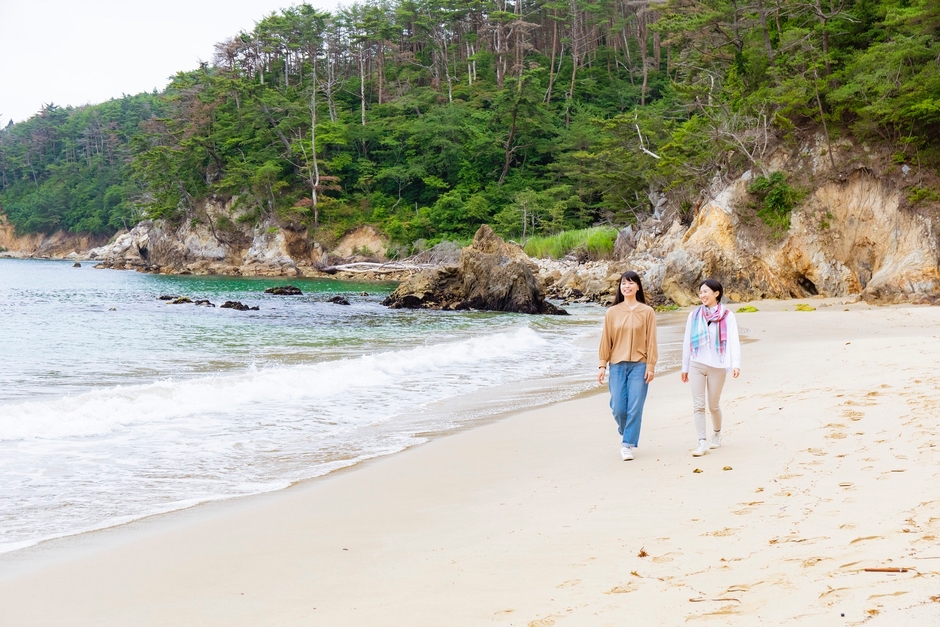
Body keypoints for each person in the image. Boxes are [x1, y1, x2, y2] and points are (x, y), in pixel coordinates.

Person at [598, 271, 658, 461]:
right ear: (620, 287)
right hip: (616, 364)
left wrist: (651, 366)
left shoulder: (647, 312)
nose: (627, 286)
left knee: (635, 407)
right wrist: (602, 365)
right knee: (618, 407)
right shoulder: (612, 312)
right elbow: (606, 339)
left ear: (638, 287)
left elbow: (651, 341)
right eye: (624, 283)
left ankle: (627, 444)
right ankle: (626, 431)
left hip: (639, 365)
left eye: (631, 283)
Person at [680, 278, 741, 457]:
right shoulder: (694, 315)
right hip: (696, 363)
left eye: (706, 291)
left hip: (718, 365)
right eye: (700, 292)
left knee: (713, 405)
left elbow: (733, 341)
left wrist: (736, 364)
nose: (702, 295)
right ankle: (702, 442)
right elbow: (686, 342)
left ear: (716, 293)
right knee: (698, 406)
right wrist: (685, 366)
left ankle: (717, 433)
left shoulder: (728, 316)